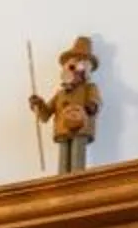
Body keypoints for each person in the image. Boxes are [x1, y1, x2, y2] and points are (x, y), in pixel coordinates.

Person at [29, 36, 103, 174]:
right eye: (71, 68)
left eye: (79, 69)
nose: (74, 73)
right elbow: (46, 114)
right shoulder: (60, 93)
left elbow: (96, 101)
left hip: (81, 126)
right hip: (63, 128)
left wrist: (92, 105)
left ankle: (76, 179)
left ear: (85, 71)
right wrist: (38, 104)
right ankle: (63, 180)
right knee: (64, 157)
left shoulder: (89, 88)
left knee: (77, 155)